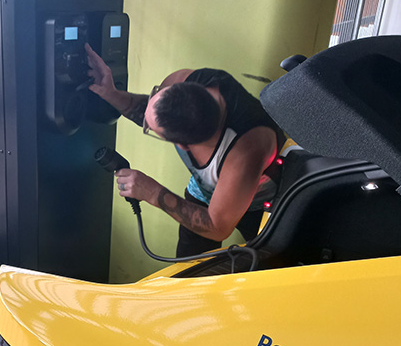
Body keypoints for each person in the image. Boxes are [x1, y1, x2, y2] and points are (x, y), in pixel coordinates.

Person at [85, 43, 285, 256]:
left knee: (269, 265)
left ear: (184, 146)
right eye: (156, 94)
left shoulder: (245, 153)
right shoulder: (185, 79)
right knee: (189, 268)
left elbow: (218, 227)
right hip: (202, 190)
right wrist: (111, 93)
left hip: (256, 204)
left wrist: (152, 192)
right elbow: (152, 111)